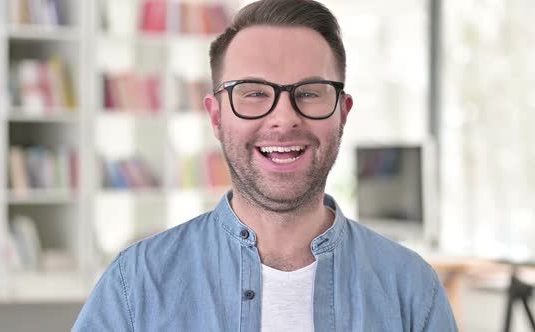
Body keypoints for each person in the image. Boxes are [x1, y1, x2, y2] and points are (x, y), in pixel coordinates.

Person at [73, 0, 458, 330]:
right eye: (255, 93)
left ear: (342, 113)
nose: (284, 118)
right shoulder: (136, 282)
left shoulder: (411, 289)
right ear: (216, 116)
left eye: (309, 92)